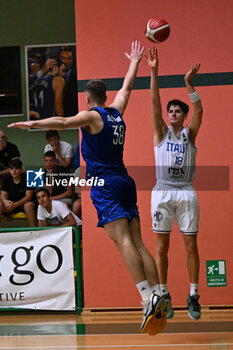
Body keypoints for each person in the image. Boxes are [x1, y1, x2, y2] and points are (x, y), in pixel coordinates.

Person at [8, 41, 170, 335]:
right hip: (125, 180)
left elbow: (63, 120)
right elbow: (127, 89)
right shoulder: (115, 112)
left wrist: (30, 125)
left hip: (105, 184)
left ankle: (147, 299)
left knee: (122, 242)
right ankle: (161, 292)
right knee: (138, 241)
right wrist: (134, 62)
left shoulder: (92, 116)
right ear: (105, 96)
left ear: (87, 98)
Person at [145, 47, 203, 320]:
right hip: (162, 190)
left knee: (190, 244)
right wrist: (154, 70)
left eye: (178, 111)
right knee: (161, 246)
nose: (173, 113)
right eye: (171, 111)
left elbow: (199, 108)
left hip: (186, 191)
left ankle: (193, 295)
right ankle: (164, 293)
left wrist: (188, 83)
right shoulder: (161, 133)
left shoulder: (190, 134)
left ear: (183, 115)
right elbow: (154, 101)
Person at [0, 159, 36, 227]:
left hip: (24, 204)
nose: (14, 171)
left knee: (28, 205)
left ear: (21, 170)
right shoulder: (6, 178)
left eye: (16, 169)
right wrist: (5, 201)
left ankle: (34, 231)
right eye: (12, 169)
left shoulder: (28, 177)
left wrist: (15, 205)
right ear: (9, 170)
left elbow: (28, 197)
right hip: (12, 204)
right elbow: (2, 196)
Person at [59, 46, 78, 117]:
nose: (66, 61)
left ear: (73, 60)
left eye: (69, 58)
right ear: (59, 59)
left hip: (73, 113)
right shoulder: (53, 74)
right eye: (63, 58)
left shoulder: (77, 74)